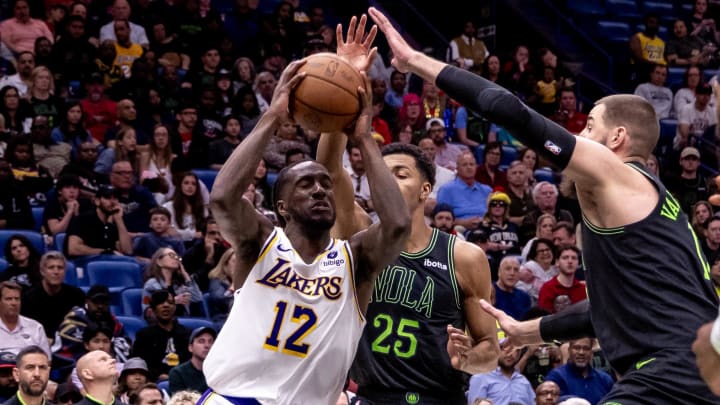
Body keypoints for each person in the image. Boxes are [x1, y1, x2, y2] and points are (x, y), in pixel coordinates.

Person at [369, 6, 720, 402]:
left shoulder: (616, 174)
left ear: (617, 138)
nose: (579, 135)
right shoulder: (660, 212)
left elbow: (513, 113)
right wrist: (527, 332)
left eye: (589, 127)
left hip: (669, 373)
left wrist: (415, 61)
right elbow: (605, 310)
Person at [202, 17, 411, 404]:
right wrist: (272, 118)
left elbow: (398, 225)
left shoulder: (356, 260)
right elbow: (222, 200)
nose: (320, 189)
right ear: (281, 207)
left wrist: (363, 138)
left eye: (325, 184)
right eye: (305, 183)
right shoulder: (259, 243)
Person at [315, 16, 498, 404]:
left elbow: (490, 350)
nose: (390, 180)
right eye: (385, 172)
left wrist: (468, 359)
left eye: (402, 174)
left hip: (439, 397)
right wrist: (345, 78)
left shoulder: (463, 256)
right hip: (371, 395)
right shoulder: (361, 233)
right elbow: (330, 171)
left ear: (426, 190)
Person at [20, 251, 85, 342]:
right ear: (42, 271)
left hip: (69, 344)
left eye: (60, 268)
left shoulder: (76, 295)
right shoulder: (28, 298)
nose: (56, 272)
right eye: (51, 268)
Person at [131, 290, 191, 381]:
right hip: (154, 383)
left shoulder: (187, 333)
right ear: (153, 309)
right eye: (161, 302)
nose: (166, 305)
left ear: (175, 307)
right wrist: (157, 376)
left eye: (170, 302)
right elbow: (139, 363)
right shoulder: (144, 335)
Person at [544, 338, 614, 405]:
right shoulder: (556, 377)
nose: (581, 352)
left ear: (591, 353)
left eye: (586, 348)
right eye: (577, 348)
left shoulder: (605, 380)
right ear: (569, 350)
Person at [467, 346, 535, 405]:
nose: (510, 354)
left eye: (516, 350)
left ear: (519, 353)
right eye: (504, 348)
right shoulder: (481, 377)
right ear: (495, 350)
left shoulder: (523, 381)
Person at [0, 281, 50, 356]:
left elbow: (47, 359)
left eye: (17, 299)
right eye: (8, 299)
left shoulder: (36, 327)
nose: (14, 303)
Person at [168, 326, 214, 394]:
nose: (207, 345)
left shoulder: (219, 371)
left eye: (211, 342)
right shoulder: (177, 373)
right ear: (190, 348)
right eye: (201, 341)